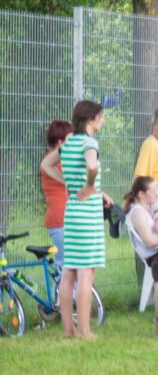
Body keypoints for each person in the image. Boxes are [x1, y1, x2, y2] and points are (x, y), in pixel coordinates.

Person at [59, 99, 109, 339]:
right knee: (86, 273)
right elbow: (92, 167)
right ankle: (85, 330)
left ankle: (69, 330)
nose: (103, 121)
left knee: (69, 272)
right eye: (101, 117)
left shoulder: (68, 143)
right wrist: (90, 186)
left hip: (71, 211)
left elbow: (46, 164)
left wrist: (70, 184)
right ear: (91, 119)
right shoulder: (89, 143)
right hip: (87, 213)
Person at [39, 119, 71, 256]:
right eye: (69, 140)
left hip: (62, 220)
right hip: (60, 220)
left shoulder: (57, 161)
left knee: (69, 268)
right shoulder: (54, 162)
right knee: (66, 268)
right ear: (59, 143)